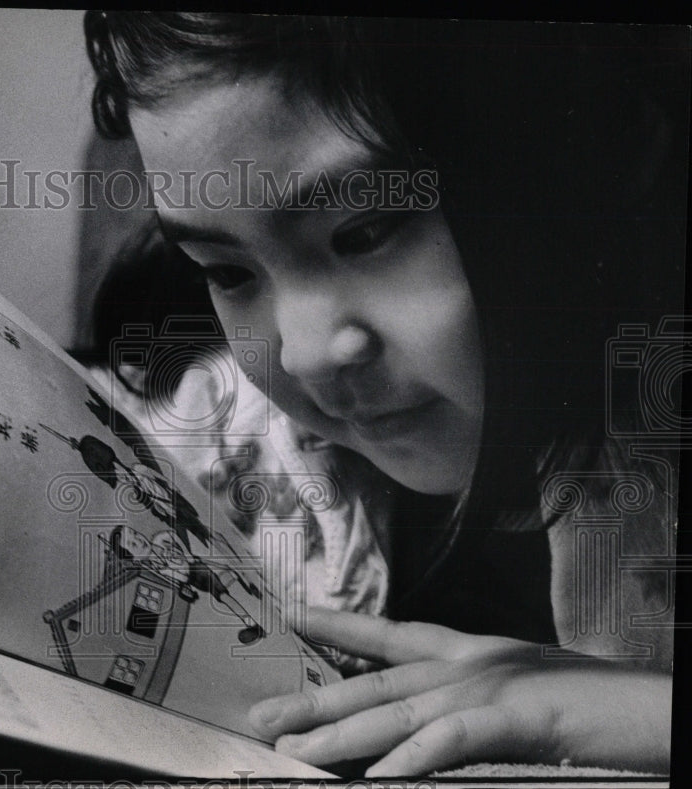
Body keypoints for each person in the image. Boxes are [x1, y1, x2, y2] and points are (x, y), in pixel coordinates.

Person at [83, 11, 685, 776]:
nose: (304, 356)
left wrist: (647, 715)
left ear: (593, 154)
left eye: (365, 232)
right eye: (228, 272)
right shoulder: (235, 436)